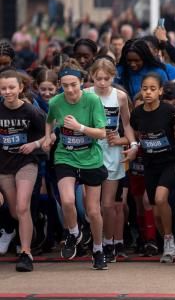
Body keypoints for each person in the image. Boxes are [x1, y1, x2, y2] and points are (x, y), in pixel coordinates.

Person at [43, 61, 108, 269]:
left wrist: (79, 127)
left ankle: (98, 249)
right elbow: (49, 120)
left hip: (90, 158)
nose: (69, 89)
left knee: (93, 211)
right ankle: (74, 233)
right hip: (66, 156)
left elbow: (102, 133)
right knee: (67, 200)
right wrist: (47, 137)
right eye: (65, 85)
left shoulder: (92, 100)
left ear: (82, 82)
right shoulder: (55, 102)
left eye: (73, 84)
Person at [85, 59, 137, 263]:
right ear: (92, 77)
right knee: (92, 206)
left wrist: (132, 145)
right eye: (99, 78)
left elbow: (127, 123)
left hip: (113, 150)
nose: (103, 83)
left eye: (107, 78)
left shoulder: (120, 96)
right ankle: (95, 242)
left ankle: (109, 243)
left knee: (108, 205)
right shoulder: (86, 94)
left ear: (113, 77)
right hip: (89, 150)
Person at [130, 73, 175, 264]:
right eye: (145, 89)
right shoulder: (137, 114)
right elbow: (135, 136)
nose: (148, 92)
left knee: (161, 198)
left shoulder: (168, 110)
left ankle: (169, 240)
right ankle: (171, 241)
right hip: (149, 166)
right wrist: (130, 146)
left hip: (168, 162)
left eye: (153, 89)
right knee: (157, 211)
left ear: (160, 91)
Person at [0, 70, 46, 272]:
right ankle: (35, 229)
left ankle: (25, 253)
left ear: (20, 88)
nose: (8, 91)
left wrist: (34, 144)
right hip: (4, 165)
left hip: (26, 162)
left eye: (11, 87)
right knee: (15, 211)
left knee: (21, 206)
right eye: (3, 88)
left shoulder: (31, 111)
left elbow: (50, 135)